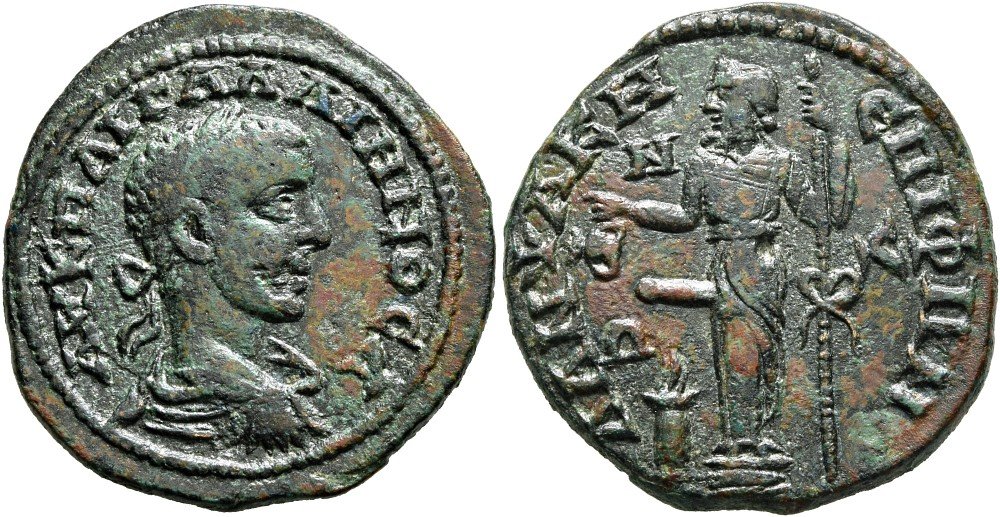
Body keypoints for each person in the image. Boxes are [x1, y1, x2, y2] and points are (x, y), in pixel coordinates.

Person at [586, 57, 812, 454]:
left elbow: (820, 218)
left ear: (752, 105)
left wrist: (831, 138)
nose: (710, 105)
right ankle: (739, 441)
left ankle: (759, 436)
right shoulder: (702, 163)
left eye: (722, 95)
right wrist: (629, 207)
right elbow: (686, 216)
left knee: (764, 354)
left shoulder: (781, 163)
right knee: (733, 350)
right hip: (725, 262)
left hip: (762, 266)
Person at [115, 104, 334, 449]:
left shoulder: (292, 376)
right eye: (283, 203)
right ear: (195, 233)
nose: (320, 232)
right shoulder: (169, 416)